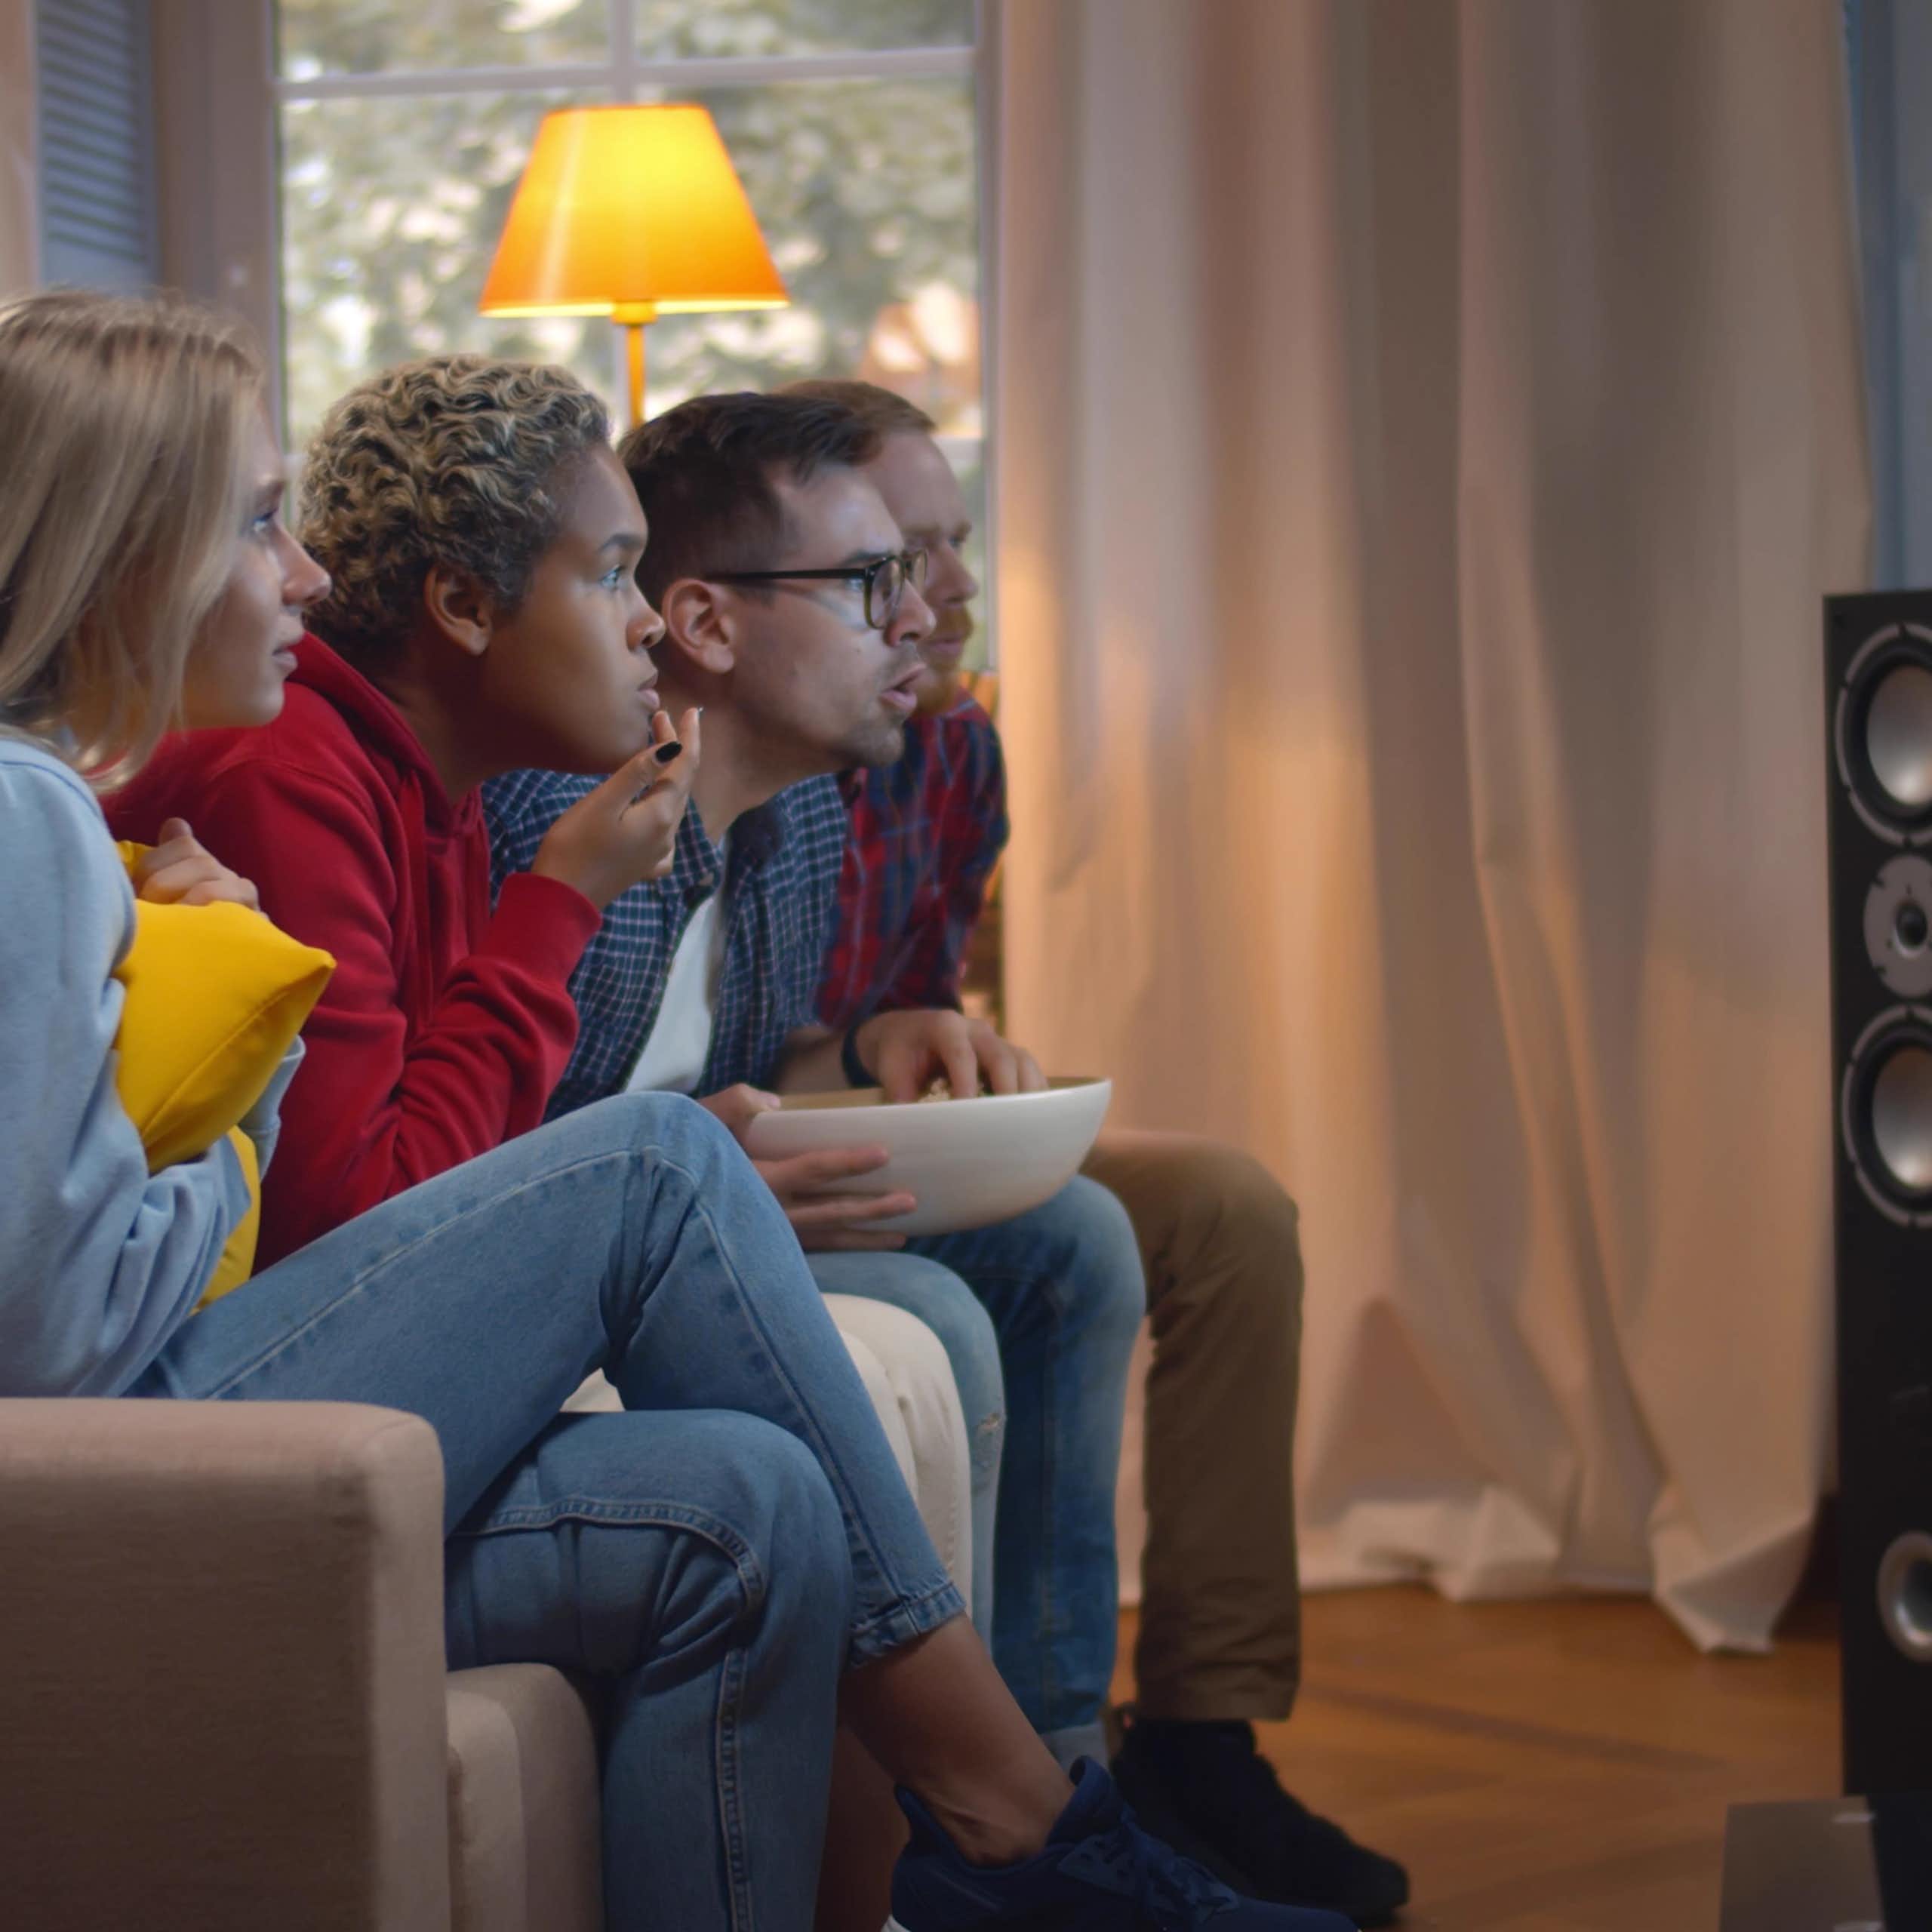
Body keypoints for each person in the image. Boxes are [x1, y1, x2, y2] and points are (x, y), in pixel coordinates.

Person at [0, 289, 1352, 1932]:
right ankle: (1028, 1827)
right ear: (123, 543)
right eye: (255, 523)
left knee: (753, 1496)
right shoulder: (110, 804)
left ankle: (1037, 1824)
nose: (303, 577)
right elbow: (113, 1305)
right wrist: (260, 1093)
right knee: (658, 1159)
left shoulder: (295, 794)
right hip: (129, 1472)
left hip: (177, 1417)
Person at [107, 352, 975, 1607]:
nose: (646, 621)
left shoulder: (437, 795)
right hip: (228, 1387)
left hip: (318, 1333)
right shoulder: (290, 772)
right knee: (666, 1165)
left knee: (760, 1479)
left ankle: (973, 1727)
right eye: (614, 572)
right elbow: (365, 1220)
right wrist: (562, 899)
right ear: (466, 605)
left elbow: (451, 1165)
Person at [790, 377, 1411, 1929]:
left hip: (878, 1112)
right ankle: (1049, 1778)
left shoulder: (954, 752)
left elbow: (908, 994)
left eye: (957, 541)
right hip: (772, 1138)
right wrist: (856, 1057)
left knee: (1227, 1209)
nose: (951, 586)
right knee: (1078, 1240)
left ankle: (1202, 1734)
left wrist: (921, 1035)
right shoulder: (755, 739)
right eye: (905, 553)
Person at [485, 393, 1147, 1791]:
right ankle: (971, 1813)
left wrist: (860, 1054)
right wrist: (697, 1187)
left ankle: (1066, 1754)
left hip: (692, 1206)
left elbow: (721, 1065)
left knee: (1071, 1239)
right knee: (937, 1313)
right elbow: (476, 1144)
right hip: (580, 1248)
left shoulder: (795, 821)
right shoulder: (561, 818)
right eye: (869, 580)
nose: (918, 618)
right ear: (706, 625)